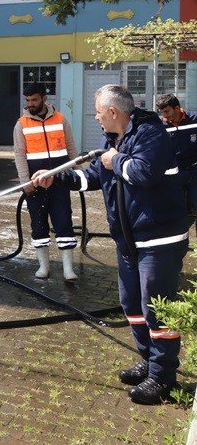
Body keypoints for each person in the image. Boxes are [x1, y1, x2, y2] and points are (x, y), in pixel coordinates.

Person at [33, 84, 188, 405]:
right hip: (129, 240)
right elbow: (92, 177)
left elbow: (143, 172)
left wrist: (115, 160)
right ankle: (148, 360)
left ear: (114, 112)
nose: (97, 118)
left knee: (158, 309)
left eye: (99, 112)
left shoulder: (151, 135)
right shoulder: (114, 139)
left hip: (159, 238)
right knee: (132, 304)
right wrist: (58, 178)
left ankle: (163, 377)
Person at [14, 82, 78, 280]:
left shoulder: (60, 120)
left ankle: (68, 269)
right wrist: (26, 183)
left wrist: (79, 175)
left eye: (34, 99)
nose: (30, 104)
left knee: (63, 222)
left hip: (60, 183)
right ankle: (44, 268)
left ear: (44, 98)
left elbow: (71, 149)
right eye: (27, 100)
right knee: (38, 224)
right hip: (36, 185)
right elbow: (19, 154)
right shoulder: (22, 124)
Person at [155, 93, 197, 224]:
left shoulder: (195, 119)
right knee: (177, 211)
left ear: (177, 108)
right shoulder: (161, 126)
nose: (164, 116)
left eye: (166, 111)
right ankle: (181, 242)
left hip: (194, 172)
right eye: (161, 112)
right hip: (174, 174)